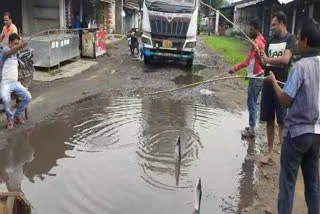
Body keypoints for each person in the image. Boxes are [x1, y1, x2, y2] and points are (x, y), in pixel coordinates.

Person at [265, 19, 320, 214]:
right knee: (313, 184)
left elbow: (285, 100)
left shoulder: (301, 66)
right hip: (316, 136)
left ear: (305, 41)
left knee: (287, 185)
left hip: (297, 134)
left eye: (298, 39)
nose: (296, 42)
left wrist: (273, 82)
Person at [258, 11, 296, 164]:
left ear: (282, 23)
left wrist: (268, 59)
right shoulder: (269, 40)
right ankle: (270, 153)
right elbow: (263, 65)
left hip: (281, 86)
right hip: (268, 84)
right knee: (269, 120)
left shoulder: (290, 39)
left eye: (274, 24)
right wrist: (260, 57)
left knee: (282, 121)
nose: (272, 27)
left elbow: (286, 59)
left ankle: (284, 156)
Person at [229, 18, 266, 138]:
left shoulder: (257, 43)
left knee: (252, 103)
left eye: (251, 29)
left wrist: (234, 68)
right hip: (256, 75)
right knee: (253, 101)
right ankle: (252, 126)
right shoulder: (259, 40)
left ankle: (252, 129)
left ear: (256, 28)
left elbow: (246, 62)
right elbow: (252, 62)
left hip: (256, 77)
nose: (249, 31)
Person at [0, 33, 32, 129]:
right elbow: (11, 51)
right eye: (15, 43)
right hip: (5, 82)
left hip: (15, 83)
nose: (17, 46)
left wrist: (19, 62)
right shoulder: (6, 50)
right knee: (6, 99)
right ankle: (10, 118)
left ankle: (17, 115)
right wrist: (20, 46)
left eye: (18, 43)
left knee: (28, 97)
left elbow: (15, 54)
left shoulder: (16, 53)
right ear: (9, 43)